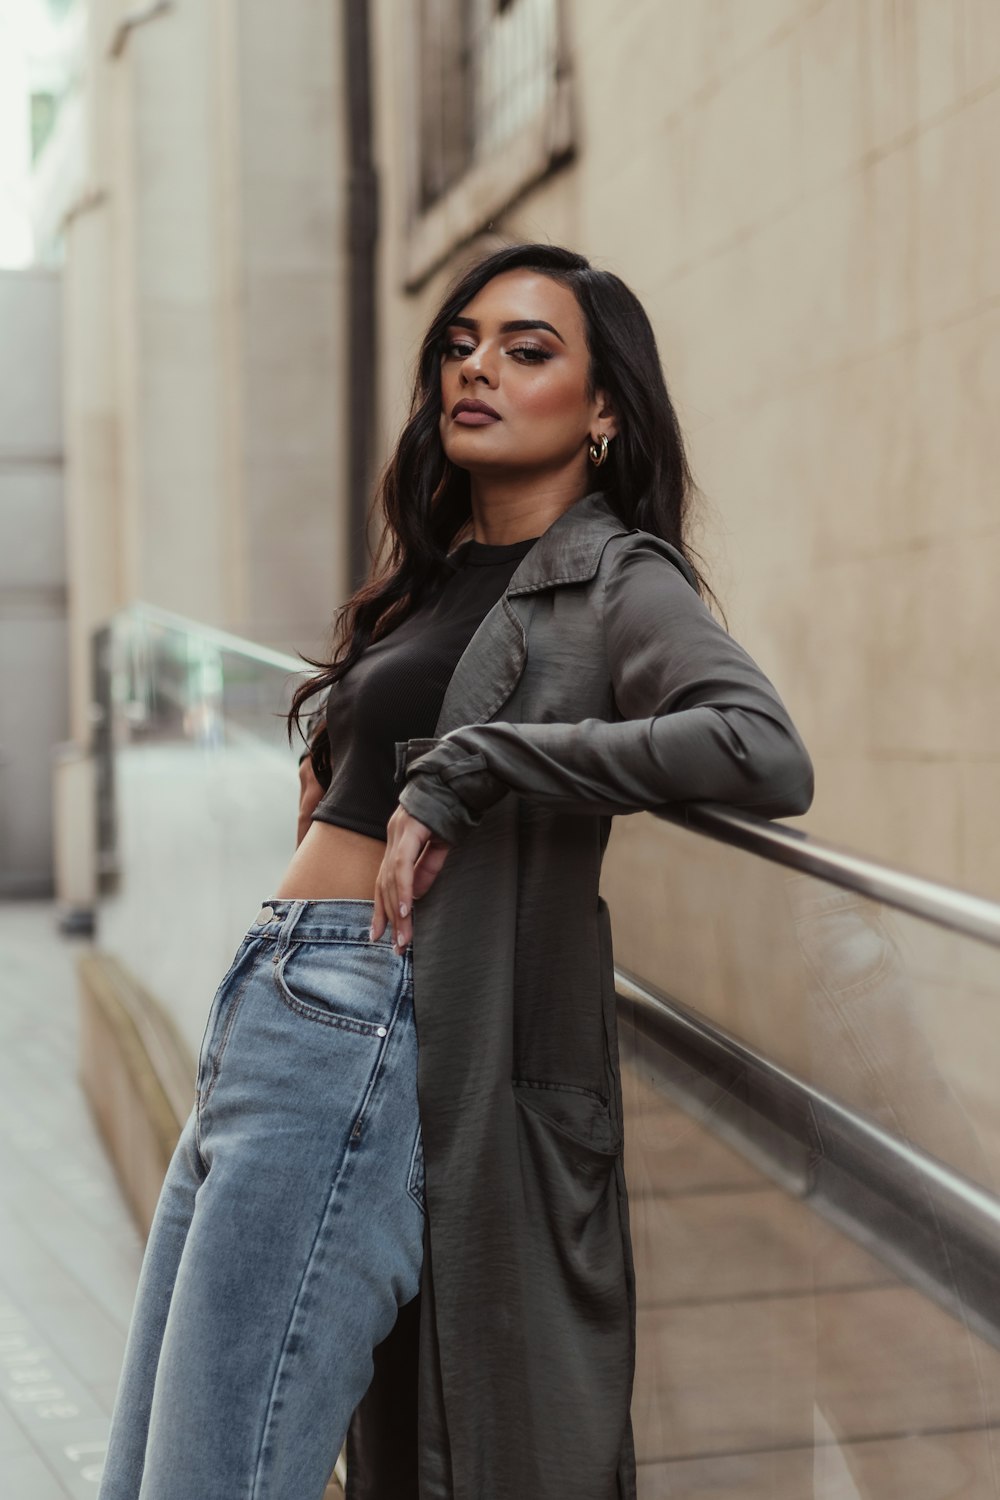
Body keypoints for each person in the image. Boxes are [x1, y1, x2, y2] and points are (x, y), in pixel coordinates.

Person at [97, 241, 814, 1500]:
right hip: (271, 1004)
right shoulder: (427, 581)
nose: (476, 366)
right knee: (154, 1458)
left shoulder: (617, 580)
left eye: (527, 350)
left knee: (211, 1475)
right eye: (461, 344)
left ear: (603, 410)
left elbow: (760, 748)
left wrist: (484, 761)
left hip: (364, 1027)